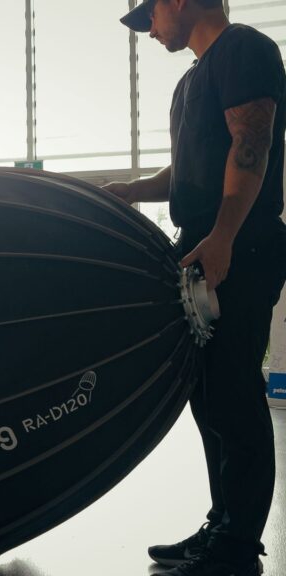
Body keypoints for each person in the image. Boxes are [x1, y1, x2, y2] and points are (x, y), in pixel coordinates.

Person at [108, 2, 286, 575]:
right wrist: (133, 190)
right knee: (205, 394)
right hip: (204, 245)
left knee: (233, 392)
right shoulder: (191, 81)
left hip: (241, 245)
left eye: (151, 15)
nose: (150, 29)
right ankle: (221, 524)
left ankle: (238, 547)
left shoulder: (244, 51)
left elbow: (248, 147)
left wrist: (224, 235)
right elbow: (189, 169)